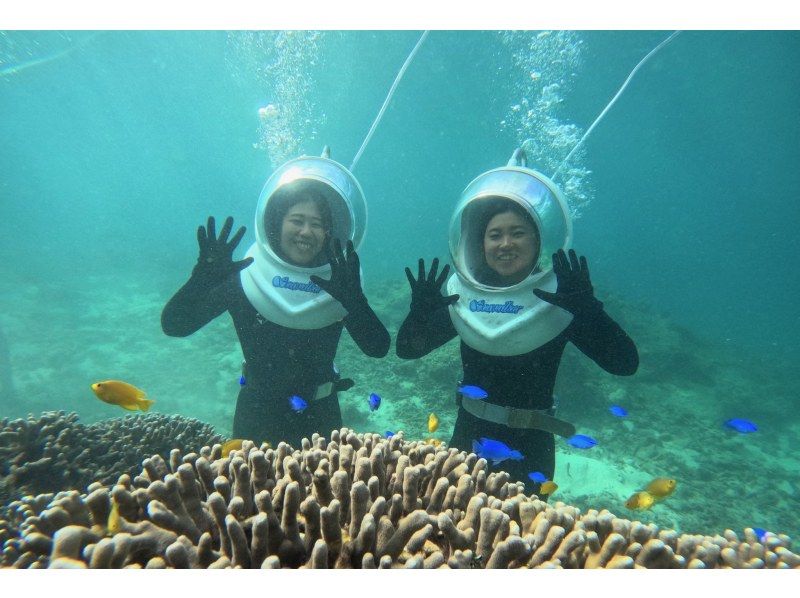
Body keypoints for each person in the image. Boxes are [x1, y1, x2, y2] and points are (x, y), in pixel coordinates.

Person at [396, 154, 638, 494]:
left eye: (518, 233)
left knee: (521, 541)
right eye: (494, 235)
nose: (505, 243)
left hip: (532, 450)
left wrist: (588, 311)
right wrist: (418, 313)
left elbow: (624, 363)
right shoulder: (467, 297)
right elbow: (407, 350)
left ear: (537, 240)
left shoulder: (558, 297)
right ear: (481, 244)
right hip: (468, 437)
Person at [162, 155, 390, 447]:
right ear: (276, 223)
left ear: (328, 233)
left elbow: (378, 348)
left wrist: (355, 302)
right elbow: (175, 325)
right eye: (296, 220)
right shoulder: (247, 273)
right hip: (256, 416)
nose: (306, 231)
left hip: (320, 419)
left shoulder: (337, 283)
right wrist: (201, 280)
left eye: (317, 224)